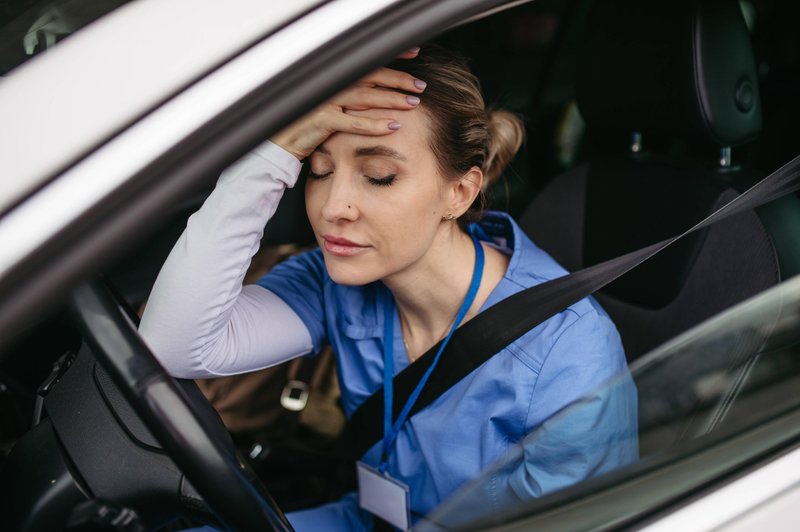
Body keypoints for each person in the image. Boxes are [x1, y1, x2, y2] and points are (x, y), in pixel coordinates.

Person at [139, 45, 637, 531]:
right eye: (318, 170)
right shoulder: (331, 279)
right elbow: (176, 345)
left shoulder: (567, 354)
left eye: (378, 176)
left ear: (459, 193)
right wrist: (275, 154)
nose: (334, 206)